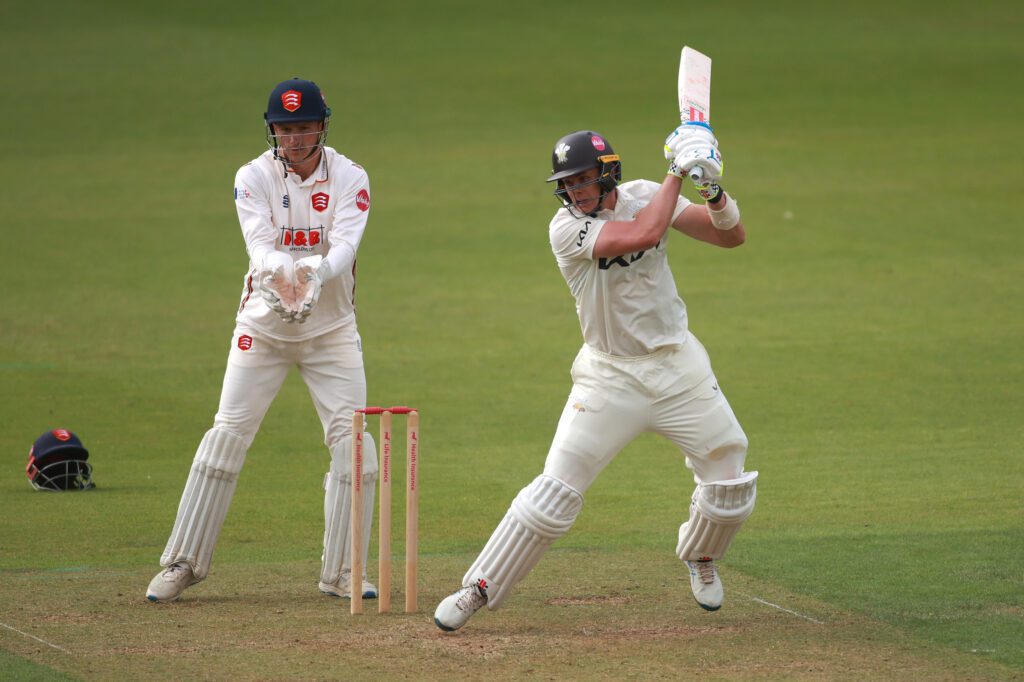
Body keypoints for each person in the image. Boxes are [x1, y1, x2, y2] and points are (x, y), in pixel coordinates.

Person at [434, 124, 758, 631]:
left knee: (730, 478)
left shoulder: (646, 195)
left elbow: (730, 236)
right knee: (554, 495)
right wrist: (678, 169)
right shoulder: (565, 229)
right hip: (609, 377)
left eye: (583, 179)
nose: (575, 191)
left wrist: (711, 187)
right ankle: (478, 588)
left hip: (679, 368)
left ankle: (701, 555)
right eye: (567, 183)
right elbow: (644, 234)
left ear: (609, 173)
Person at [147, 78, 379, 603]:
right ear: (272, 129)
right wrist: (280, 272)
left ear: (322, 126)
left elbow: (346, 244)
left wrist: (316, 274)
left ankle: (344, 571)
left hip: (332, 331)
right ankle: (183, 562)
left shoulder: (351, 176)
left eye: (304, 128)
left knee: (353, 444)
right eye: (284, 129)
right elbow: (259, 244)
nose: (294, 140)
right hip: (263, 328)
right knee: (227, 434)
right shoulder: (251, 176)